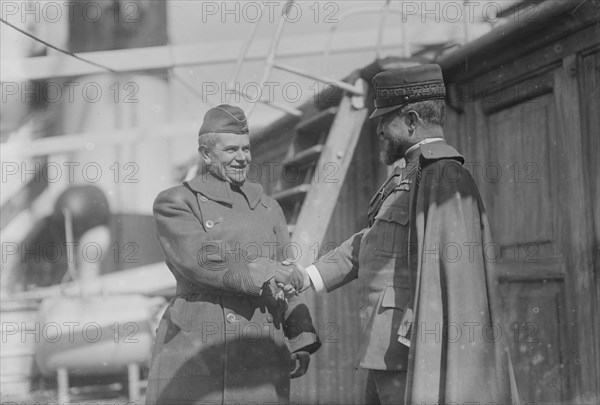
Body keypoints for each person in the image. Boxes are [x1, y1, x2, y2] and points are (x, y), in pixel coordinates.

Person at [284, 64, 518, 404]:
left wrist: (423, 333)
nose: (379, 129)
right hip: (387, 347)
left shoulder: (442, 175)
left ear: (410, 120)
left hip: (413, 349)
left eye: (385, 119)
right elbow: (372, 239)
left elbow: (455, 274)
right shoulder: (408, 174)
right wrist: (307, 276)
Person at [145, 105, 321, 405]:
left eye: (246, 149)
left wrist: (300, 338)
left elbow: (288, 276)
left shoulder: (268, 207)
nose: (242, 158)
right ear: (205, 154)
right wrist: (267, 269)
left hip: (260, 352)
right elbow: (201, 258)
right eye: (231, 150)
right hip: (198, 351)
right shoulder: (176, 202)